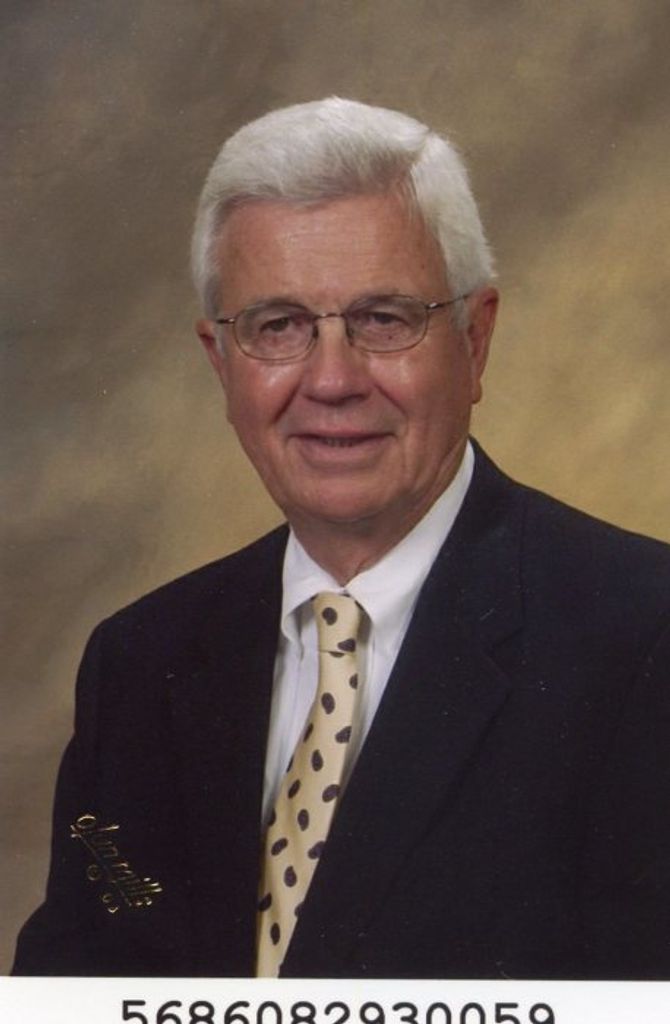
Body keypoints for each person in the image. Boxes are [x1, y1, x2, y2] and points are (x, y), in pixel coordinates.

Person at [13, 97, 670, 980]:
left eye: (384, 319)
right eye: (277, 326)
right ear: (220, 361)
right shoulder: (140, 662)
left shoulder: (643, 639)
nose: (331, 380)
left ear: (475, 341)